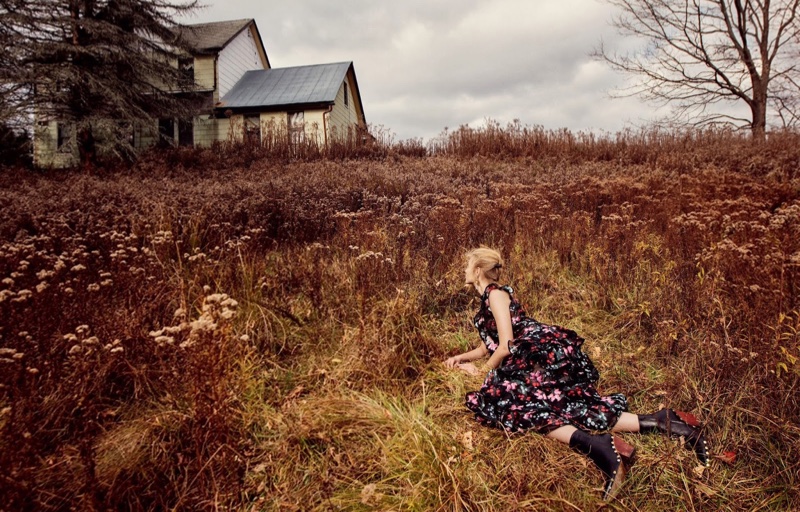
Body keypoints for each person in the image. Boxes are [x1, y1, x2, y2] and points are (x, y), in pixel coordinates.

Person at [445, 247, 709, 500]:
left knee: (514, 405)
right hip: (527, 356)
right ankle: (660, 421)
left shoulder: (495, 295)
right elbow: (487, 345)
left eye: (467, 266)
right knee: (566, 406)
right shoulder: (489, 298)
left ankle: (600, 447)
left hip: (539, 356)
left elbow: (505, 345)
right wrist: (461, 357)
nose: (464, 270)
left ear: (478, 269)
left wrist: (484, 373)